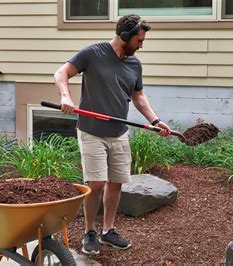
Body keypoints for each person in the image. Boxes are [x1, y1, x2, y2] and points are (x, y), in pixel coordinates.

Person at [53, 14, 171, 255]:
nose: (141, 45)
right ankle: (89, 232)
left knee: (116, 183)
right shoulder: (93, 54)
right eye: (139, 40)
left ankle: (108, 231)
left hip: (119, 133)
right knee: (96, 184)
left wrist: (155, 121)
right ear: (125, 36)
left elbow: (138, 96)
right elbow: (61, 73)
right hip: (91, 131)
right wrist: (65, 96)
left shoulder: (134, 64)